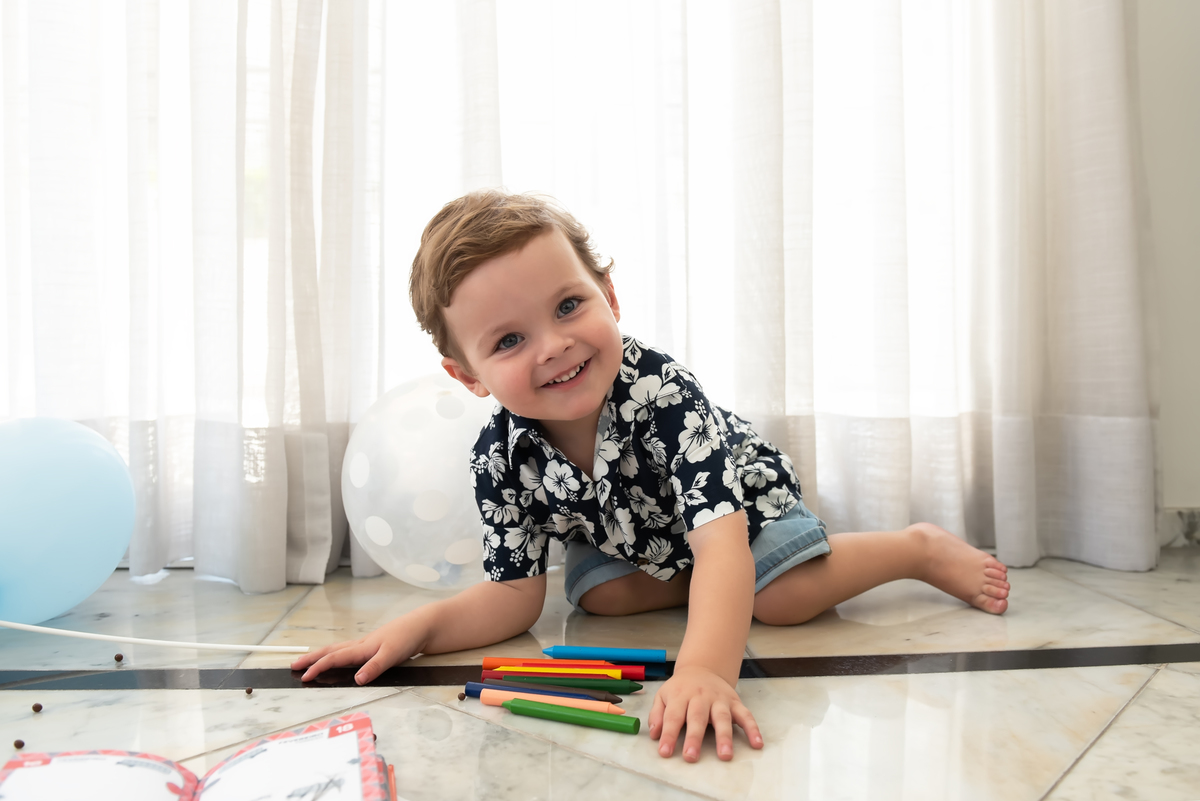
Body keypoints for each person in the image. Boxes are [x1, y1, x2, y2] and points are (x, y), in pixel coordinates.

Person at [293, 190, 1011, 762]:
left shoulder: (662, 391)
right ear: (467, 375)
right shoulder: (498, 457)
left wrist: (704, 670)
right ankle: (705, 586)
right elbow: (514, 595)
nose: (555, 345)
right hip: (643, 537)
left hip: (738, 510)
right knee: (597, 597)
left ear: (608, 294)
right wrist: (417, 628)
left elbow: (722, 545)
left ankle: (914, 548)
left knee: (780, 598)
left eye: (569, 305)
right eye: (509, 340)